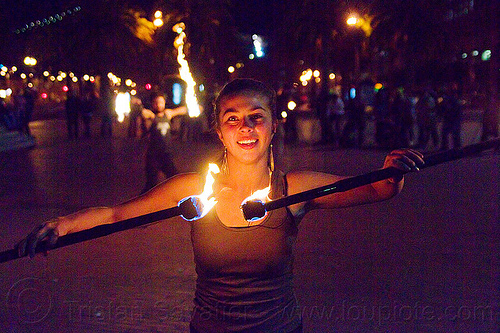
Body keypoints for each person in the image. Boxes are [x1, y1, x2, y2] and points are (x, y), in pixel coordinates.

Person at [17, 78, 424, 333]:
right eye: (233, 118)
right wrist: (62, 224)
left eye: (255, 116)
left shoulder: (293, 188)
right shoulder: (194, 188)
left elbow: (377, 191)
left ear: (273, 124)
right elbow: (118, 214)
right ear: (218, 129)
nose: (245, 127)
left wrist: (392, 170)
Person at [141, 93, 187, 192]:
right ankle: (142, 204)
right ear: (153, 104)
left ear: (164, 103)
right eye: (156, 102)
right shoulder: (152, 116)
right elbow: (143, 112)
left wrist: (192, 107)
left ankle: (178, 202)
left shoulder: (168, 114)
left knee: (174, 178)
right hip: (153, 155)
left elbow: (182, 110)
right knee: (151, 184)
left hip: (166, 154)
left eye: (161, 102)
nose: (159, 105)